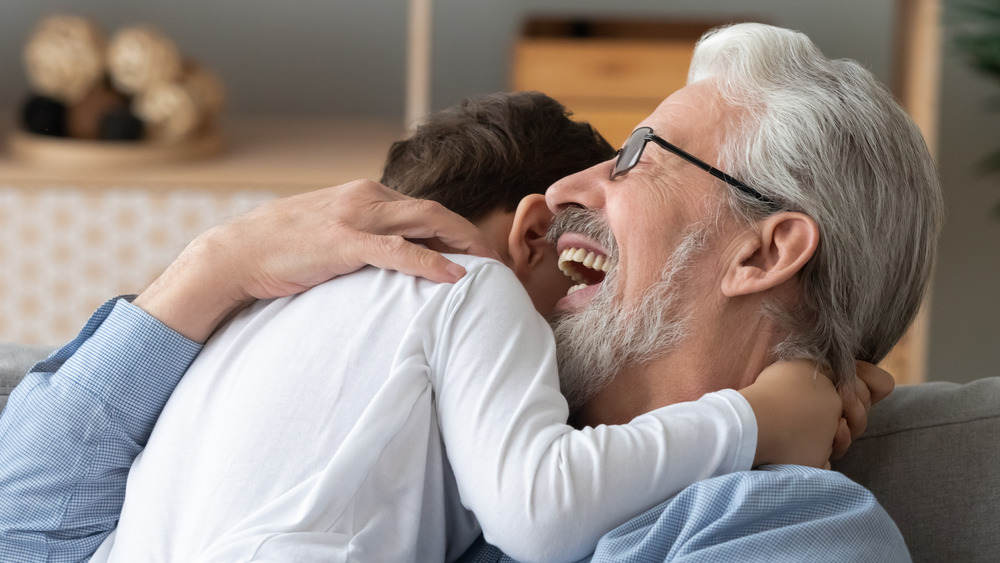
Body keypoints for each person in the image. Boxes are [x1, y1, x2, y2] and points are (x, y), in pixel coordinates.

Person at [0, 22, 917, 562]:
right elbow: (26, 532)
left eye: (637, 159)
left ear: (764, 252)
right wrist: (209, 271)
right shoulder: (448, 433)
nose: (564, 196)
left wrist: (763, 429)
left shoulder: (786, 526)